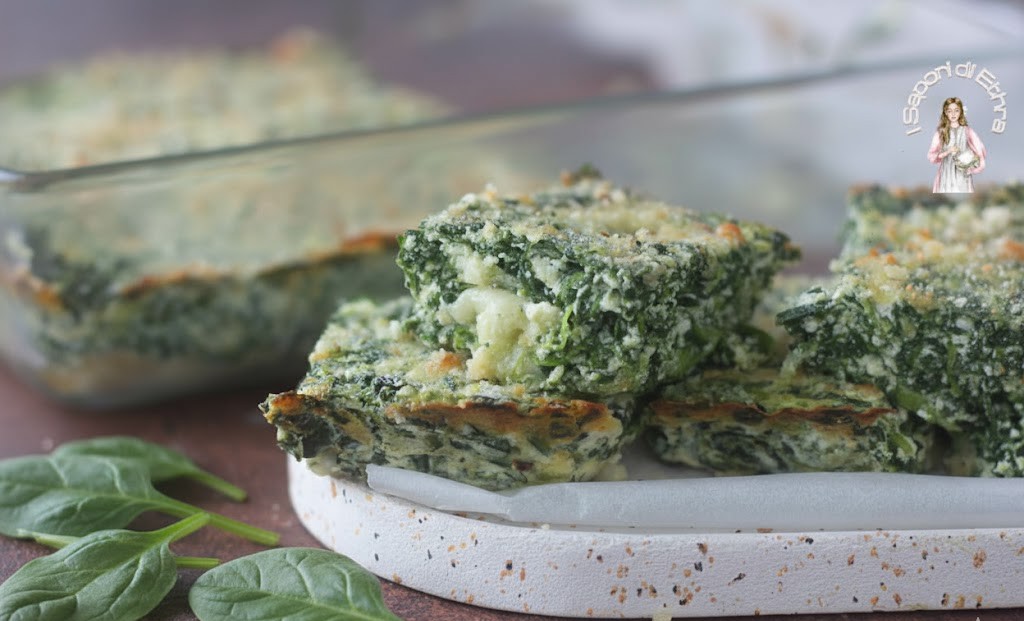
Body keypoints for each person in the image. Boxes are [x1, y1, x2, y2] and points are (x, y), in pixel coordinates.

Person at [927, 97, 986, 193]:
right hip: (946, 174)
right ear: (945, 113)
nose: (953, 114)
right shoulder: (940, 132)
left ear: (961, 112)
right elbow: (932, 155)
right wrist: (947, 152)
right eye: (950, 111)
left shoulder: (967, 131)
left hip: (962, 174)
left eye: (956, 110)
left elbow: (980, 151)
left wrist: (971, 165)